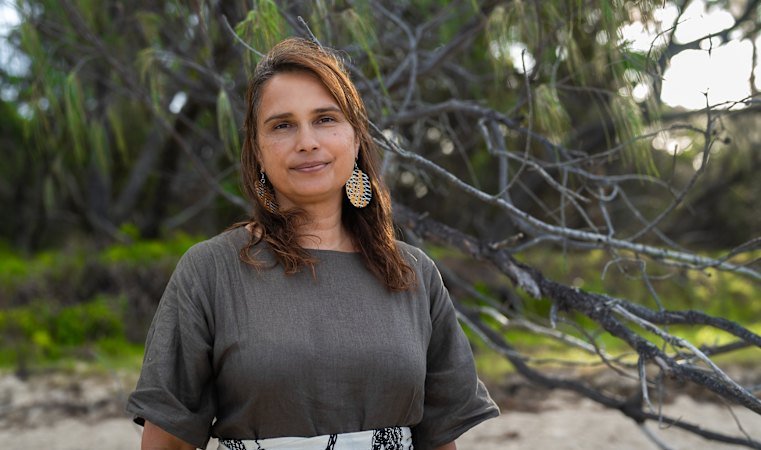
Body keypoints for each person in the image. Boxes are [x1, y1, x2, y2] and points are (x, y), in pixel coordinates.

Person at [126, 37, 499, 450]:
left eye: (325, 119)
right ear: (257, 151)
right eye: (282, 125)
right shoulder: (209, 271)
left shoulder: (413, 273)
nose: (307, 141)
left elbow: (439, 441)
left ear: (355, 138)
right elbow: (167, 442)